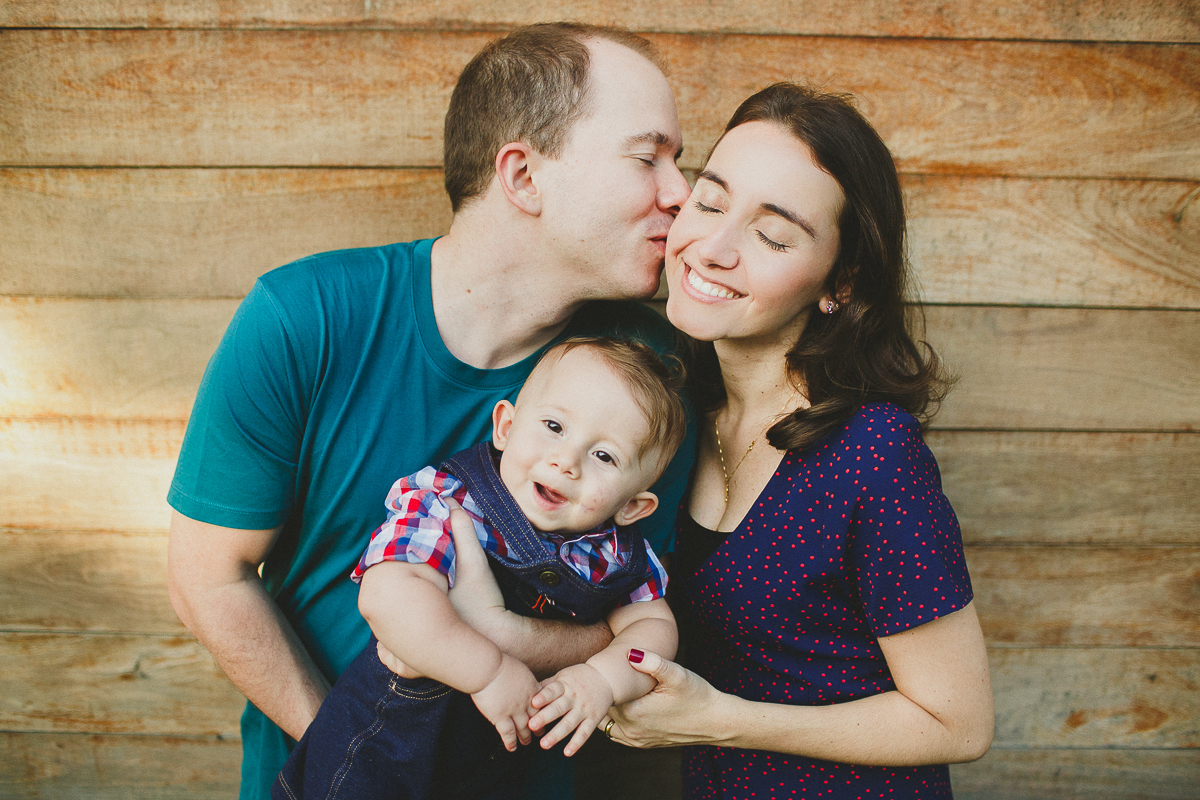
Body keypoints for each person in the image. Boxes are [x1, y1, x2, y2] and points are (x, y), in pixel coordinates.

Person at [166, 23, 695, 800]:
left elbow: (641, 616)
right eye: (648, 157)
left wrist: (504, 634)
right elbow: (207, 581)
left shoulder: (651, 378)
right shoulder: (305, 317)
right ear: (522, 175)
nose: (680, 192)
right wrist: (354, 764)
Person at [592, 83, 995, 797]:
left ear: (839, 283)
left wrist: (722, 720)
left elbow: (958, 722)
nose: (711, 248)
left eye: (772, 236)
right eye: (710, 203)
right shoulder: (676, 417)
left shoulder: (873, 454)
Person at [273, 337, 685, 799]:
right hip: (379, 761)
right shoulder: (446, 503)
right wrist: (488, 672)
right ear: (506, 426)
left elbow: (654, 628)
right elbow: (387, 597)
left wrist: (602, 679)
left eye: (604, 456)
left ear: (633, 505)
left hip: (490, 777)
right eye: (553, 426)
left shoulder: (616, 555)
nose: (566, 462)